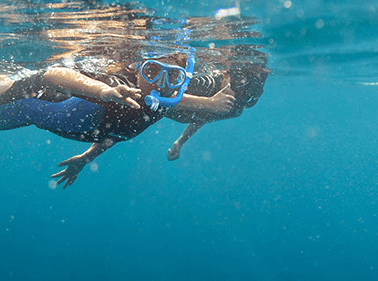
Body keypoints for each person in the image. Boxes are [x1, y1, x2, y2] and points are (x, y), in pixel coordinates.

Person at [0, 52, 235, 187]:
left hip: (36, 114)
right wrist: (102, 91)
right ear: (137, 70)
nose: (160, 83)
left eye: (173, 76)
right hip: (27, 97)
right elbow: (52, 74)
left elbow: (115, 135)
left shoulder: (158, 107)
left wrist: (84, 159)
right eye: (151, 72)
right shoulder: (119, 90)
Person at [164, 49, 269, 161]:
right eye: (237, 83)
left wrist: (180, 141)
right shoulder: (204, 83)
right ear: (225, 75)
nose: (234, 94)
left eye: (245, 93)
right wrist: (210, 103)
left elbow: (204, 116)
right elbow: (162, 96)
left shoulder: (234, 109)